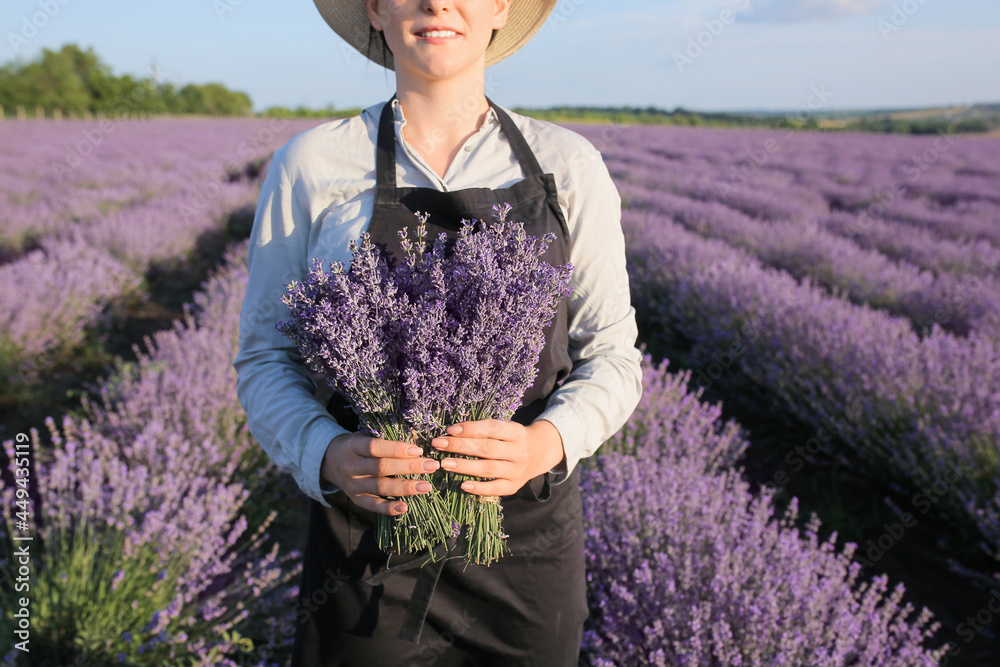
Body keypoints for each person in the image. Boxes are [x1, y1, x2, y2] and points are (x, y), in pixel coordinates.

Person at [233, 0, 643, 664]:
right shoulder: (312, 164)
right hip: (367, 554)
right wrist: (327, 454)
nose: (435, 2)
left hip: (527, 555)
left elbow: (615, 356)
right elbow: (265, 356)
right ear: (375, 8)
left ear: (500, 8)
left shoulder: (568, 165)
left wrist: (546, 442)